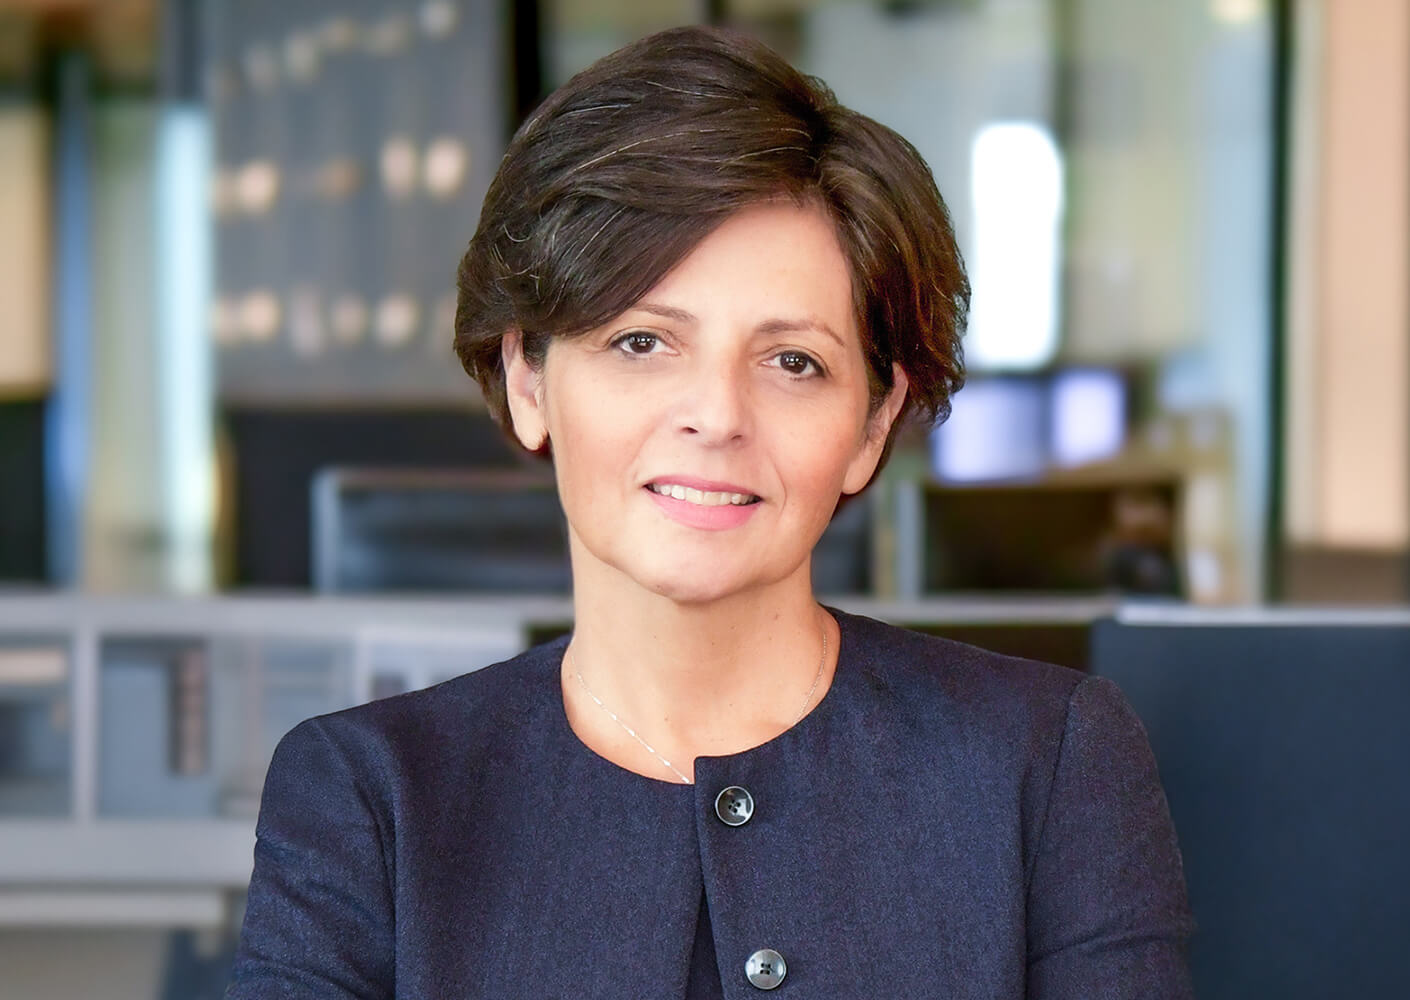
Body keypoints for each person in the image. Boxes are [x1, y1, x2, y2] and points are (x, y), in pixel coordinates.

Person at [227, 25, 1194, 999]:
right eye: (643, 342)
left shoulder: (1050, 762)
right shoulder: (369, 796)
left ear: (871, 424)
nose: (717, 417)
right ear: (528, 378)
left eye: (793, 362)